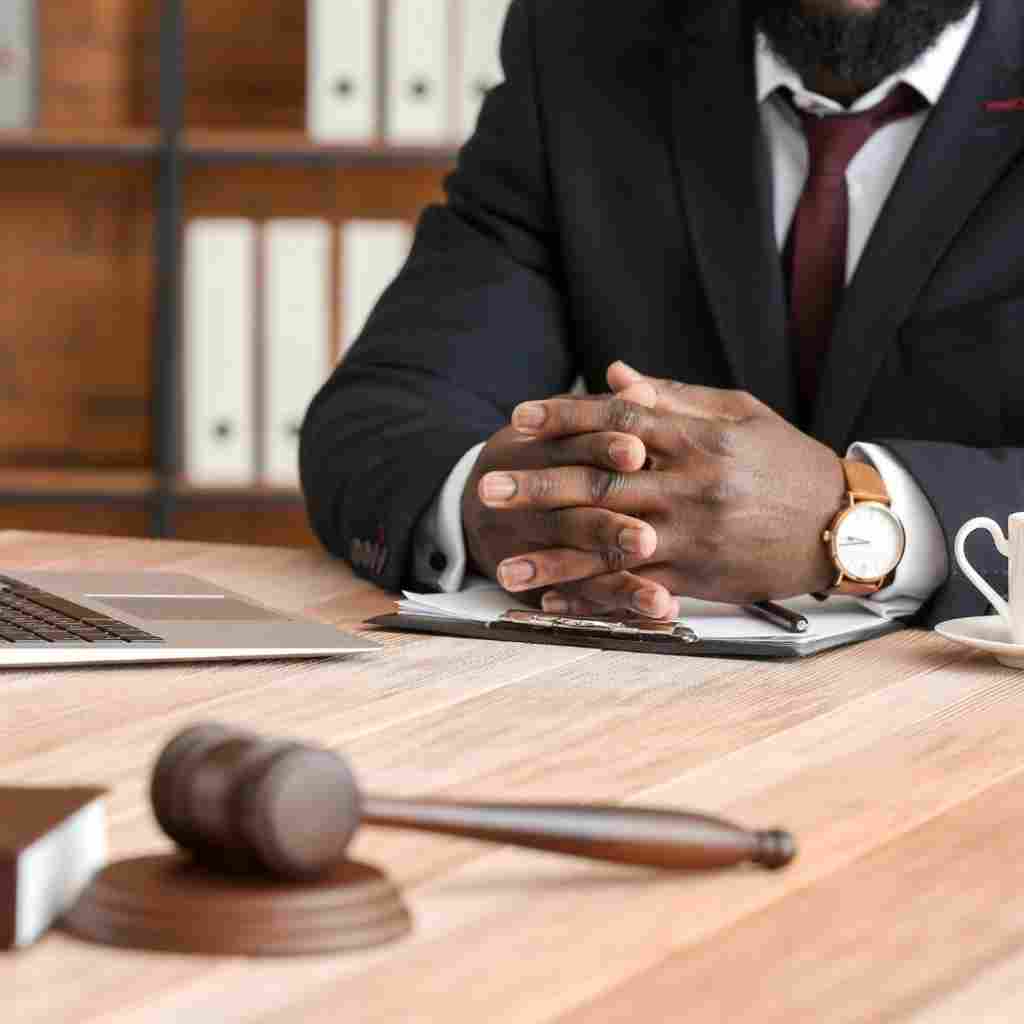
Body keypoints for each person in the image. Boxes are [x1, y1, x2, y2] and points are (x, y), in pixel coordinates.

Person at [300, 0, 1023, 629]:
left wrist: (867, 522)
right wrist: (502, 500)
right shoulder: (587, 39)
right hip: (646, 699)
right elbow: (384, 411)